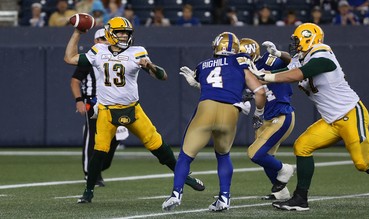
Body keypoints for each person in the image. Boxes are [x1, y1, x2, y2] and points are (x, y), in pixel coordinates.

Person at [64, 17, 205, 203]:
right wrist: (77, 33)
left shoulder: (137, 52)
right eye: (120, 32)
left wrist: (150, 66)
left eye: (126, 33)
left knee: (158, 145)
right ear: (110, 33)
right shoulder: (98, 50)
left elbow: (162, 76)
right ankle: (88, 191)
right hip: (106, 111)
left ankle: (184, 176)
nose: (123, 35)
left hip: (132, 109)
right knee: (99, 151)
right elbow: (69, 58)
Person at [250, 23, 369, 211]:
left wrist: (266, 76)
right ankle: (300, 199)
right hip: (331, 121)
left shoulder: (322, 54)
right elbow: (290, 65)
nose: (296, 45)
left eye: (298, 41)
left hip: (349, 114)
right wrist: (271, 63)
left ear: (310, 38)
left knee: (363, 163)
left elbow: (297, 74)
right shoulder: (304, 57)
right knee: (302, 147)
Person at [162, 32, 266, 211]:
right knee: (223, 155)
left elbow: (213, 86)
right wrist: (258, 113)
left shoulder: (203, 65)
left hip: (206, 109)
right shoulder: (240, 60)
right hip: (230, 112)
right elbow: (260, 91)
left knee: (185, 156)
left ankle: (176, 194)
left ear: (216, 46)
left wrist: (196, 84)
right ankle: (224, 199)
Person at [70, 28, 129, 187]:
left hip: (113, 104)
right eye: (102, 38)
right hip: (94, 103)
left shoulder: (118, 57)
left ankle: (99, 168)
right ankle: (91, 174)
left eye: (107, 37)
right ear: (96, 41)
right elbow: (75, 80)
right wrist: (79, 100)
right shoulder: (91, 58)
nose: (106, 40)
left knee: (115, 138)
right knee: (92, 138)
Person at [239, 38, 296, 200]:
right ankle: (281, 193)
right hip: (266, 119)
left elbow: (293, 64)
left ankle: (285, 169)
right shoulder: (244, 71)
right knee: (265, 157)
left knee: (255, 153)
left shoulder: (268, 60)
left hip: (282, 114)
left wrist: (278, 53)